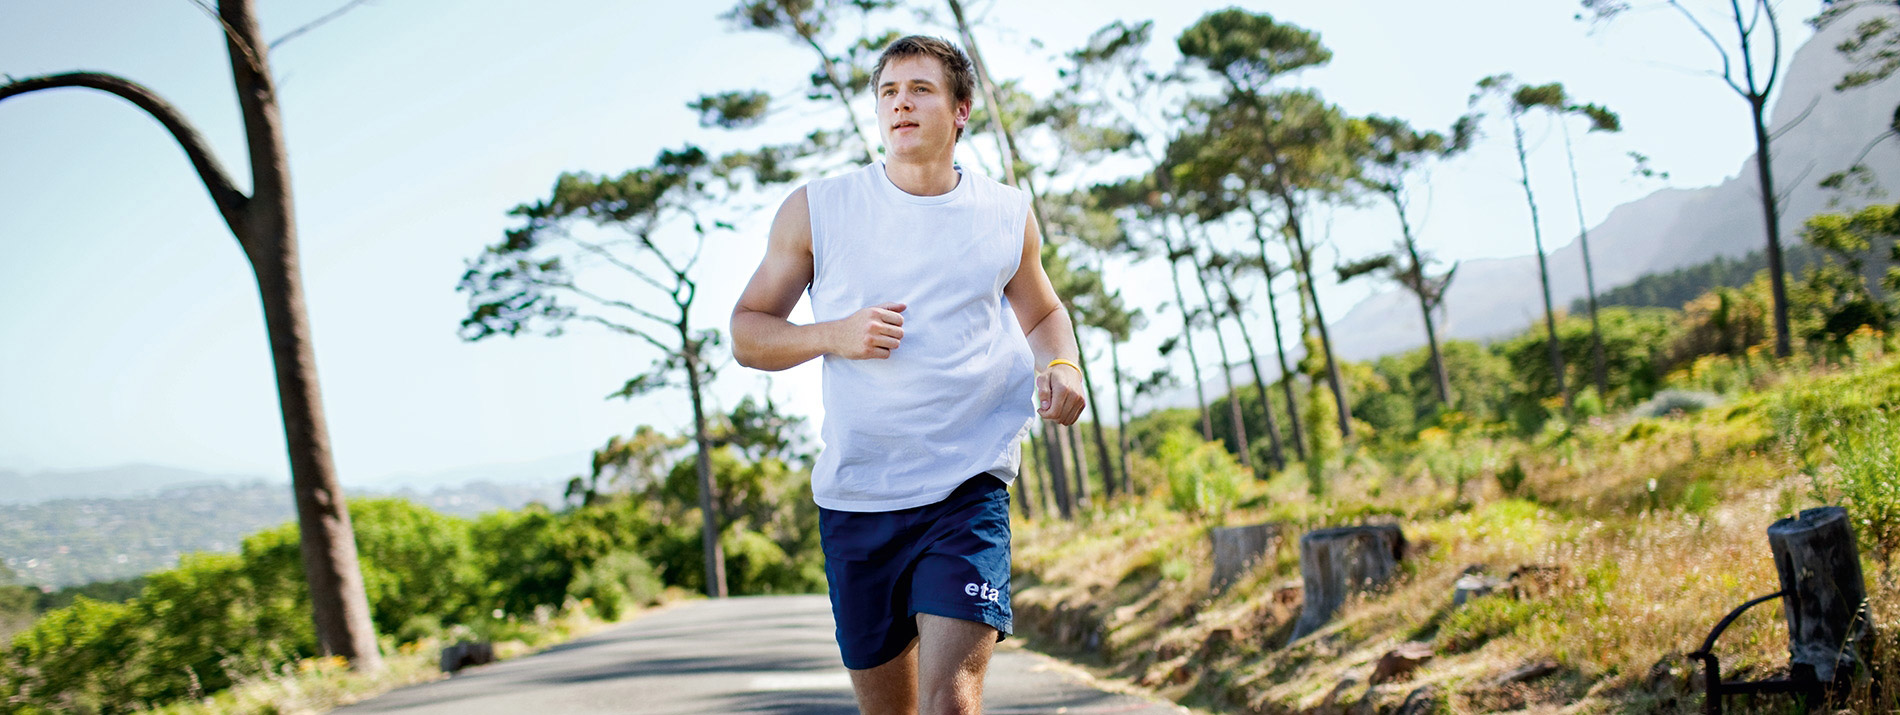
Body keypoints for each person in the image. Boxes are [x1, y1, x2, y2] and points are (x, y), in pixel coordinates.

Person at [730, 33, 1085, 715]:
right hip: (859, 496)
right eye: (889, 91)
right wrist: (834, 333)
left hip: (966, 485)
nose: (901, 103)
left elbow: (1043, 313)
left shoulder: (1005, 213)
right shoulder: (819, 210)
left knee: (951, 700)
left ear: (961, 108)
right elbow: (748, 331)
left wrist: (1061, 363)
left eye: (920, 89)